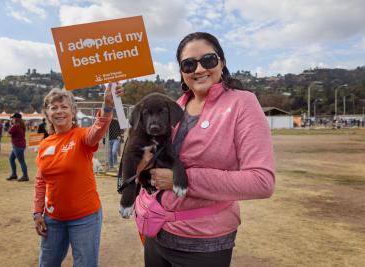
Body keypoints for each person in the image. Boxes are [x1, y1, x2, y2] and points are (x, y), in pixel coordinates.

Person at [143, 32, 276, 267]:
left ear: (222, 63)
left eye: (208, 60)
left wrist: (181, 179)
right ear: (182, 72)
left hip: (203, 242)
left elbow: (261, 181)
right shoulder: (175, 106)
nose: (199, 69)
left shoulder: (242, 103)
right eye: (189, 64)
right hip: (157, 230)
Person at [33, 85, 123, 266]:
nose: (59, 111)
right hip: (53, 219)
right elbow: (41, 181)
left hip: (84, 218)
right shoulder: (44, 144)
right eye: (54, 107)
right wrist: (37, 212)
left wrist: (107, 106)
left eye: (64, 107)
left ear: (73, 112)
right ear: (47, 113)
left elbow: (97, 130)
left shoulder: (82, 136)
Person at [7, 112, 29, 182]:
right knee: (11, 159)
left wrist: (11, 126)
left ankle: (25, 176)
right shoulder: (21, 126)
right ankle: (14, 174)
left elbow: (8, 134)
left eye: (13, 118)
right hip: (19, 145)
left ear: (15, 119)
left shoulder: (15, 126)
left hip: (17, 146)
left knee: (21, 161)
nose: (12, 119)